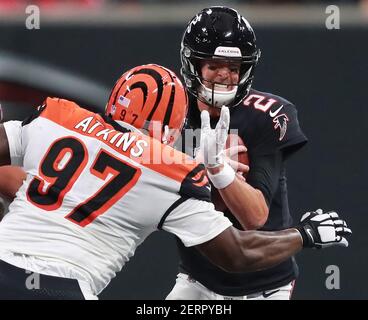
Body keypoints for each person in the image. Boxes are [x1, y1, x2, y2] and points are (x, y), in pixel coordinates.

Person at [0, 64, 350, 300]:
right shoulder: (171, 171)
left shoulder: (59, 119)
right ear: (172, 127)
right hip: (63, 287)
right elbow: (238, 255)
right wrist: (303, 235)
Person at [167, 6, 322, 300]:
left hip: (264, 286)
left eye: (234, 67)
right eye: (214, 65)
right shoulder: (171, 112)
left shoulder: (268, 115)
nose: (224, 75)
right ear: (194, 65)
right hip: (197, 279)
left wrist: (217, 169)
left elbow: (255, 217)